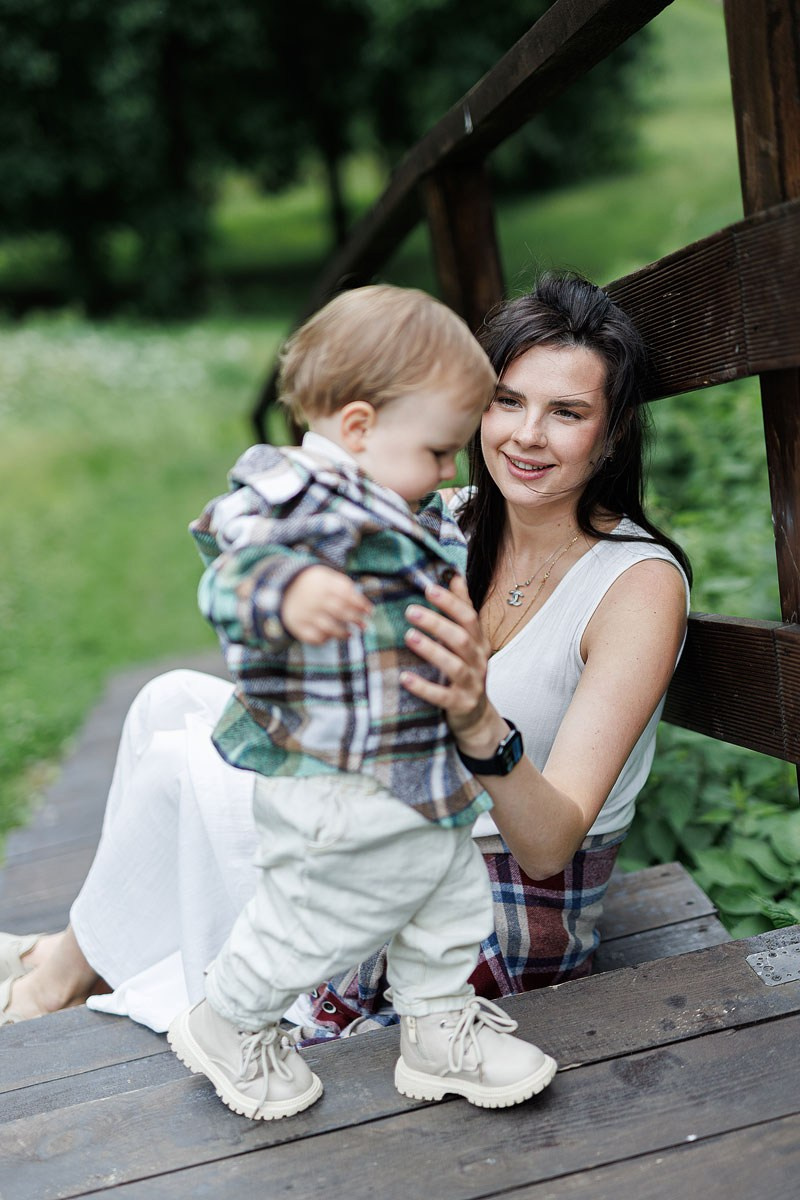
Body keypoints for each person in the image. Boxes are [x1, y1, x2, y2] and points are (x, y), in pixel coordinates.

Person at [1, 272, 689, 1087]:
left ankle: (63, 969)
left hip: (485, 904)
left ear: (610, 436)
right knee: (169, 701)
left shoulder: (637, 586)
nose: (526, 436)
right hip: (395, 816)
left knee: (185, 767)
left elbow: (548, 848)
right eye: (507, 401)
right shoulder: (447, 516)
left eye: (567, 412)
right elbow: (297, 512)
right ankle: (83, 950)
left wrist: (475, 719)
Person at [165, 283, 556, 1120]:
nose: (451, 469)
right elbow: (233, 561)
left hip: (418, 767)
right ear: (358, 428)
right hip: (336, 778)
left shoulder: (398, 497)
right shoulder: (298, 494)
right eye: (438, 452)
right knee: (318, 914)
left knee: (452, 895)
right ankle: (228, 1019)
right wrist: (290, 586)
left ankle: (436, 1028)